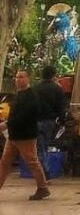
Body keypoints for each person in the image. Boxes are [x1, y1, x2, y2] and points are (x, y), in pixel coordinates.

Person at [0, 70, 50, 200]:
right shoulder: (19, 94)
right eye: (17, 77)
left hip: (25, 135)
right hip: (14, 135)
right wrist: (7, 123)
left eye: (21, 77)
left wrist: (7, 124)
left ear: (28, 78)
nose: (18, 79)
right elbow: (15, 114)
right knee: (4, 162)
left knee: (32, 162)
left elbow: (25, 115)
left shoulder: (31, 95)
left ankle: (43, 188)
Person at [32, 65, 66, 172]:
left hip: (36, 120)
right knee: (44, 145)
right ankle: (44, 169)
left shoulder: (35, 88)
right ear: (53, 75)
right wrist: (61, 121)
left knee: (39, 146)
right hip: (50, 121)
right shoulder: (57, 89)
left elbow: (30, 105)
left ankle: (43, 170)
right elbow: (61, 107)